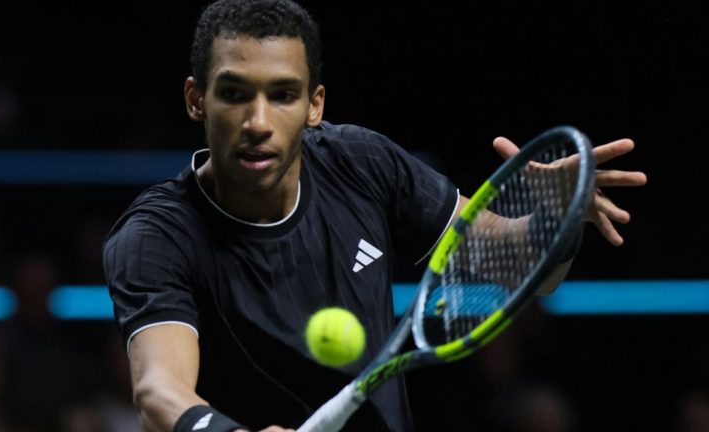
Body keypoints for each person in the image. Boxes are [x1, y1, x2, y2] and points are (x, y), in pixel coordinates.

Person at [102, 1, 647, 431]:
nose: (258, 122)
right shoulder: (157, 237)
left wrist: (555, 219)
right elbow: (158, 392)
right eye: (235, 94)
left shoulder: (361, 164)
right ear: (197, 100)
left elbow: (526, 272)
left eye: (283, 95)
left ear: (315, 105)